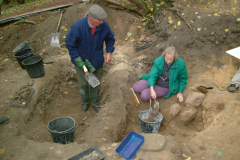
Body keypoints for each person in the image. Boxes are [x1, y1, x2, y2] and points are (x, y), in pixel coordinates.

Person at [66, 4, 115, 113]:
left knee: (95, 83)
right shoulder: (78, 27)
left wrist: (109, 52)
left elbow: (110, 39)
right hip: (82, 62)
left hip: (97, 62)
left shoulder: (104, 26)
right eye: (100, 20)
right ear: (91, 19)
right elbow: (70, 45)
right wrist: (78, 60)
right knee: (83, 84)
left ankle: (94, 102)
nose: (102, 22)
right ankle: (85, 102)